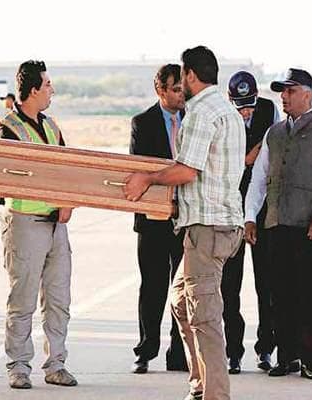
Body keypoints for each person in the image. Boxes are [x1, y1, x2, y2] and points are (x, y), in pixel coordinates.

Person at [124, 46, 245, 400]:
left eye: (183, 78)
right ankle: (199, 382)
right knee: (181, 301)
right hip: (223, 225)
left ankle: (215, 394)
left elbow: (187, 170)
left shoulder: (200, 113)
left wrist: (147, 179)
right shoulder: (228, 110)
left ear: (190, 75)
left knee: (205, 318)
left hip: (207, 230)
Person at [244, 68, 312, 380]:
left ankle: (311, 360)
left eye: (290, 91)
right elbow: (258, 179)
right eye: (282, 92)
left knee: (310, 294)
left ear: (308, 95)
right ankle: (286, 356)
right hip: (275, 225)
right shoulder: (272, 133)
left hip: (310, 226)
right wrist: (250, 217)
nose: (284, 97)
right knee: (280, 293)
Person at [0, 60, 77, 390]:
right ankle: (18, 366)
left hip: (57, 226)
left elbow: (67, 168)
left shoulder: (51, 126)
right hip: (26, 224)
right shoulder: (8, 129)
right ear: (32, 91)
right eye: (47, 85)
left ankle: (56, 364)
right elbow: (7, 175)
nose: (51, 90)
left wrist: (69, 201)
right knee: (23, 300)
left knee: (58, 301)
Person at [128, 63, 187, 374]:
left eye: (183, 89)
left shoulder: (193, 120)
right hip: (152, 221)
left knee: (183, 289)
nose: (181, 95)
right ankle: (146, 349)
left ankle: (178, 352)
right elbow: (139, 170)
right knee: (152, 287)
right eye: (175, 89)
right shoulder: (143, 123)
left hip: (186, 218)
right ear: (160, 90)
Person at [221, 71, 280, 374]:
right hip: (231, 210)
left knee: (265, 282)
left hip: (262, 210)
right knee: (229, 286)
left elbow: (275, 153)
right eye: (241, 106)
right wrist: (246, 159)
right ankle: (233, 351)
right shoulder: (221, 117)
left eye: (250, 106)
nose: (246, 112)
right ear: (230, 100)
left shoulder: (270, 110)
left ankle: (266, 347)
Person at [0, 93, 16, 206]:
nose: (4, 103)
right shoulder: (10, 112)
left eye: (6, 100)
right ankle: (2, 196)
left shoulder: (14, 112)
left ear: (11, 100)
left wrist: (1, 124)